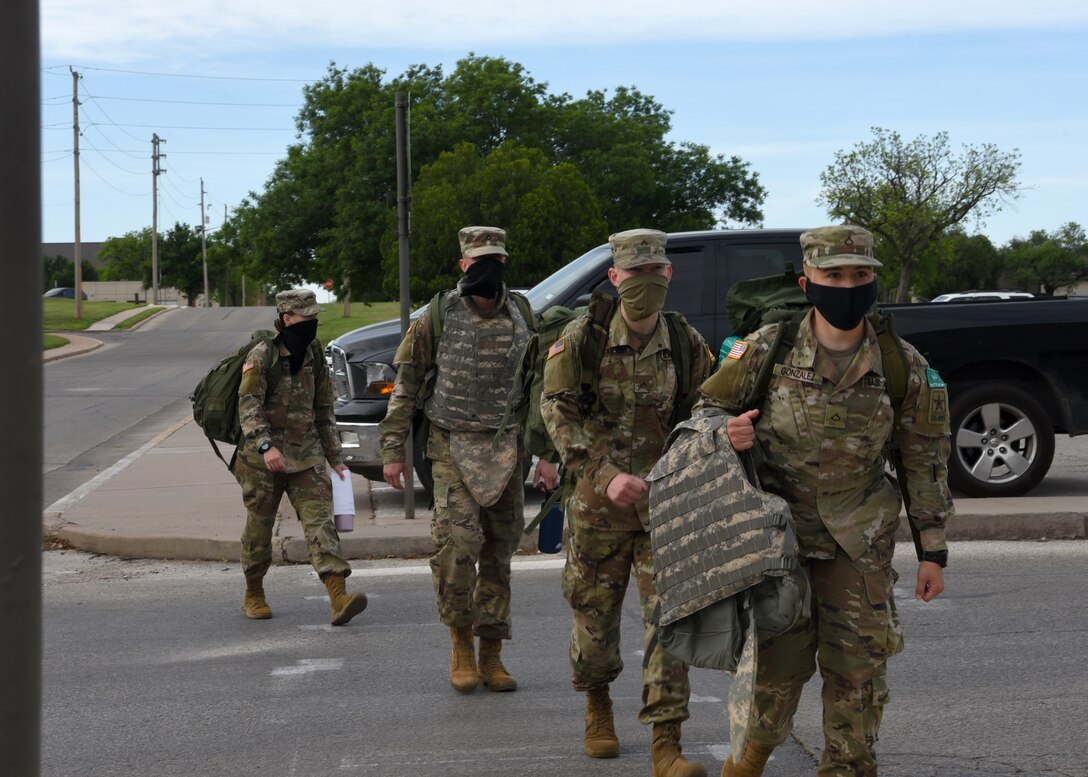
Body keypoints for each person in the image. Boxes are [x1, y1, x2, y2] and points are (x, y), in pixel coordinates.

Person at [698, 225, 954, 777]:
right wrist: (724, 432)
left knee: (858, 675)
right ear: (807, 282)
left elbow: (924, 459)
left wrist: (932, 551)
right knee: (775, 671)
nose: (847, 286)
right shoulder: (766, 348)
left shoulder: (900, 363)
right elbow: (706, 415)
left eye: (859, 275)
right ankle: (747, 761)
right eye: (833, 275)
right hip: (777, 542)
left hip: (858, 545)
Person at [541, 228, 714, 777]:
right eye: (634, 273)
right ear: (615, 277)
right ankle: (597, 705)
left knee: (671, 621)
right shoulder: (582, 340)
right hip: (598, 512)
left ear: (669, 274)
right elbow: (557, 411)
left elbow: (706, 408)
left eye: (654, 271)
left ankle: (667, 742)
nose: (645, 281)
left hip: (666, 506)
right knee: (595, 624)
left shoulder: (685, 342)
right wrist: (603, 473)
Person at [379, 226, 558, 694]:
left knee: (499, 555)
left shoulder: (522, 313)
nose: (487, 269)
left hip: (507, 450)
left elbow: (542, 388)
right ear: (463, 265)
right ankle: (460, 642)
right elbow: (406, 386)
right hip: (450, 447)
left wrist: (547, 452)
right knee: (457, 549)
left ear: (504, 263)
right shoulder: (437, 316)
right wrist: (393, 450)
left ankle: (491, 652)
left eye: (495, 261)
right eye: (479, 262)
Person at [235, 288, 368, 626]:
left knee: (320, 522)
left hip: (306, 454)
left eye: (314, 316)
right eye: (305, 316)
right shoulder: (262, 355)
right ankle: (253, 592)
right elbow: (248, 405)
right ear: (287, 318)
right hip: (262, 460)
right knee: (260, 527)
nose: (311, 322)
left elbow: (323, 408)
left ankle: (338, 596)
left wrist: (335, 456)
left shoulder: (314, 353)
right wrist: (265, 446)